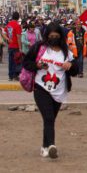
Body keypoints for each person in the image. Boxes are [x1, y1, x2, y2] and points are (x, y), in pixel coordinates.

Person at [22, 22, 78, 159]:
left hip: (59, 90)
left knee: (50, 119)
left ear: (61, 36)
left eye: (56, 36)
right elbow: (26, 62)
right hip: (41, 87)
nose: (54, 38)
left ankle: (44, 147)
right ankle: (52, 145)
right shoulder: (40, 48)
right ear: (47, 36)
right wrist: (37, 65)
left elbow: (76, 70)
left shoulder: (67, 52)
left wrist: (70, 66)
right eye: (51, 36)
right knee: (48, 117)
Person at [6, 12, 22, 81]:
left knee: (10, 61)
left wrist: (8, 39)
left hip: (10, 46)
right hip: (16, 46)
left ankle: (10, 76)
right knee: (16, 61)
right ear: (18, 18)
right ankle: (15, 75)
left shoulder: (8, 24)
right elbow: (18, 37)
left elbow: (3, 33)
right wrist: (20, 48)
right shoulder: (17, 25)